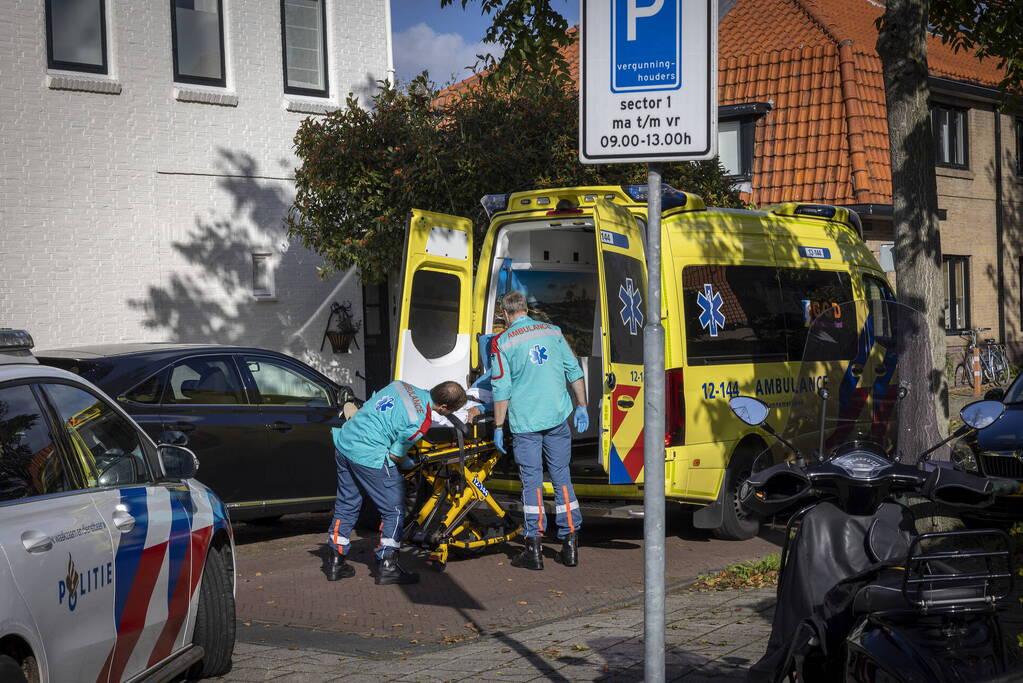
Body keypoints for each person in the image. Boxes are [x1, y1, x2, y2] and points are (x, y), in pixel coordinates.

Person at [326, 379, 467, 583]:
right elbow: (395, 455)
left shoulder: (400, 385)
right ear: (443, 407)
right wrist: (407, 462)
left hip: (346, 441)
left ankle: (335, 561)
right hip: (369, 454)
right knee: (395, 510)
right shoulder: (422, 420)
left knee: (347, 503)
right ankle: (388, 565)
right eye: (450, 411)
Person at [490, 290, 588, 570]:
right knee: (562, 477)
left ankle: (533, 548)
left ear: (507, 314)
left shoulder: (503, 342)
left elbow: (501, 388)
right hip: (557, 418)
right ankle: (570, 545)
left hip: (526, 424)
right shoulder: (553, 331)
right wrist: (581, 404)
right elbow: (574, 370)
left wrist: (498, 426)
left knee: (531, 483)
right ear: (526, 309)